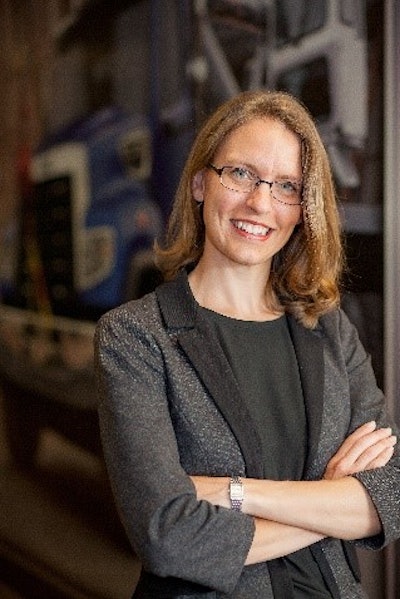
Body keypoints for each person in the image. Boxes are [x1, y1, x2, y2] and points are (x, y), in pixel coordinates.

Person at [94, 90, 400, 599]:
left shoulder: (330, 330)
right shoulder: (136, 338)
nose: (260, 203)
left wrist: (231, 493)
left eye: (286, 187)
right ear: (199, 183)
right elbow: (168, 538)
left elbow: (391, 494)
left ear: (304, 209)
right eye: (240, 174)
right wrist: (334, 503)